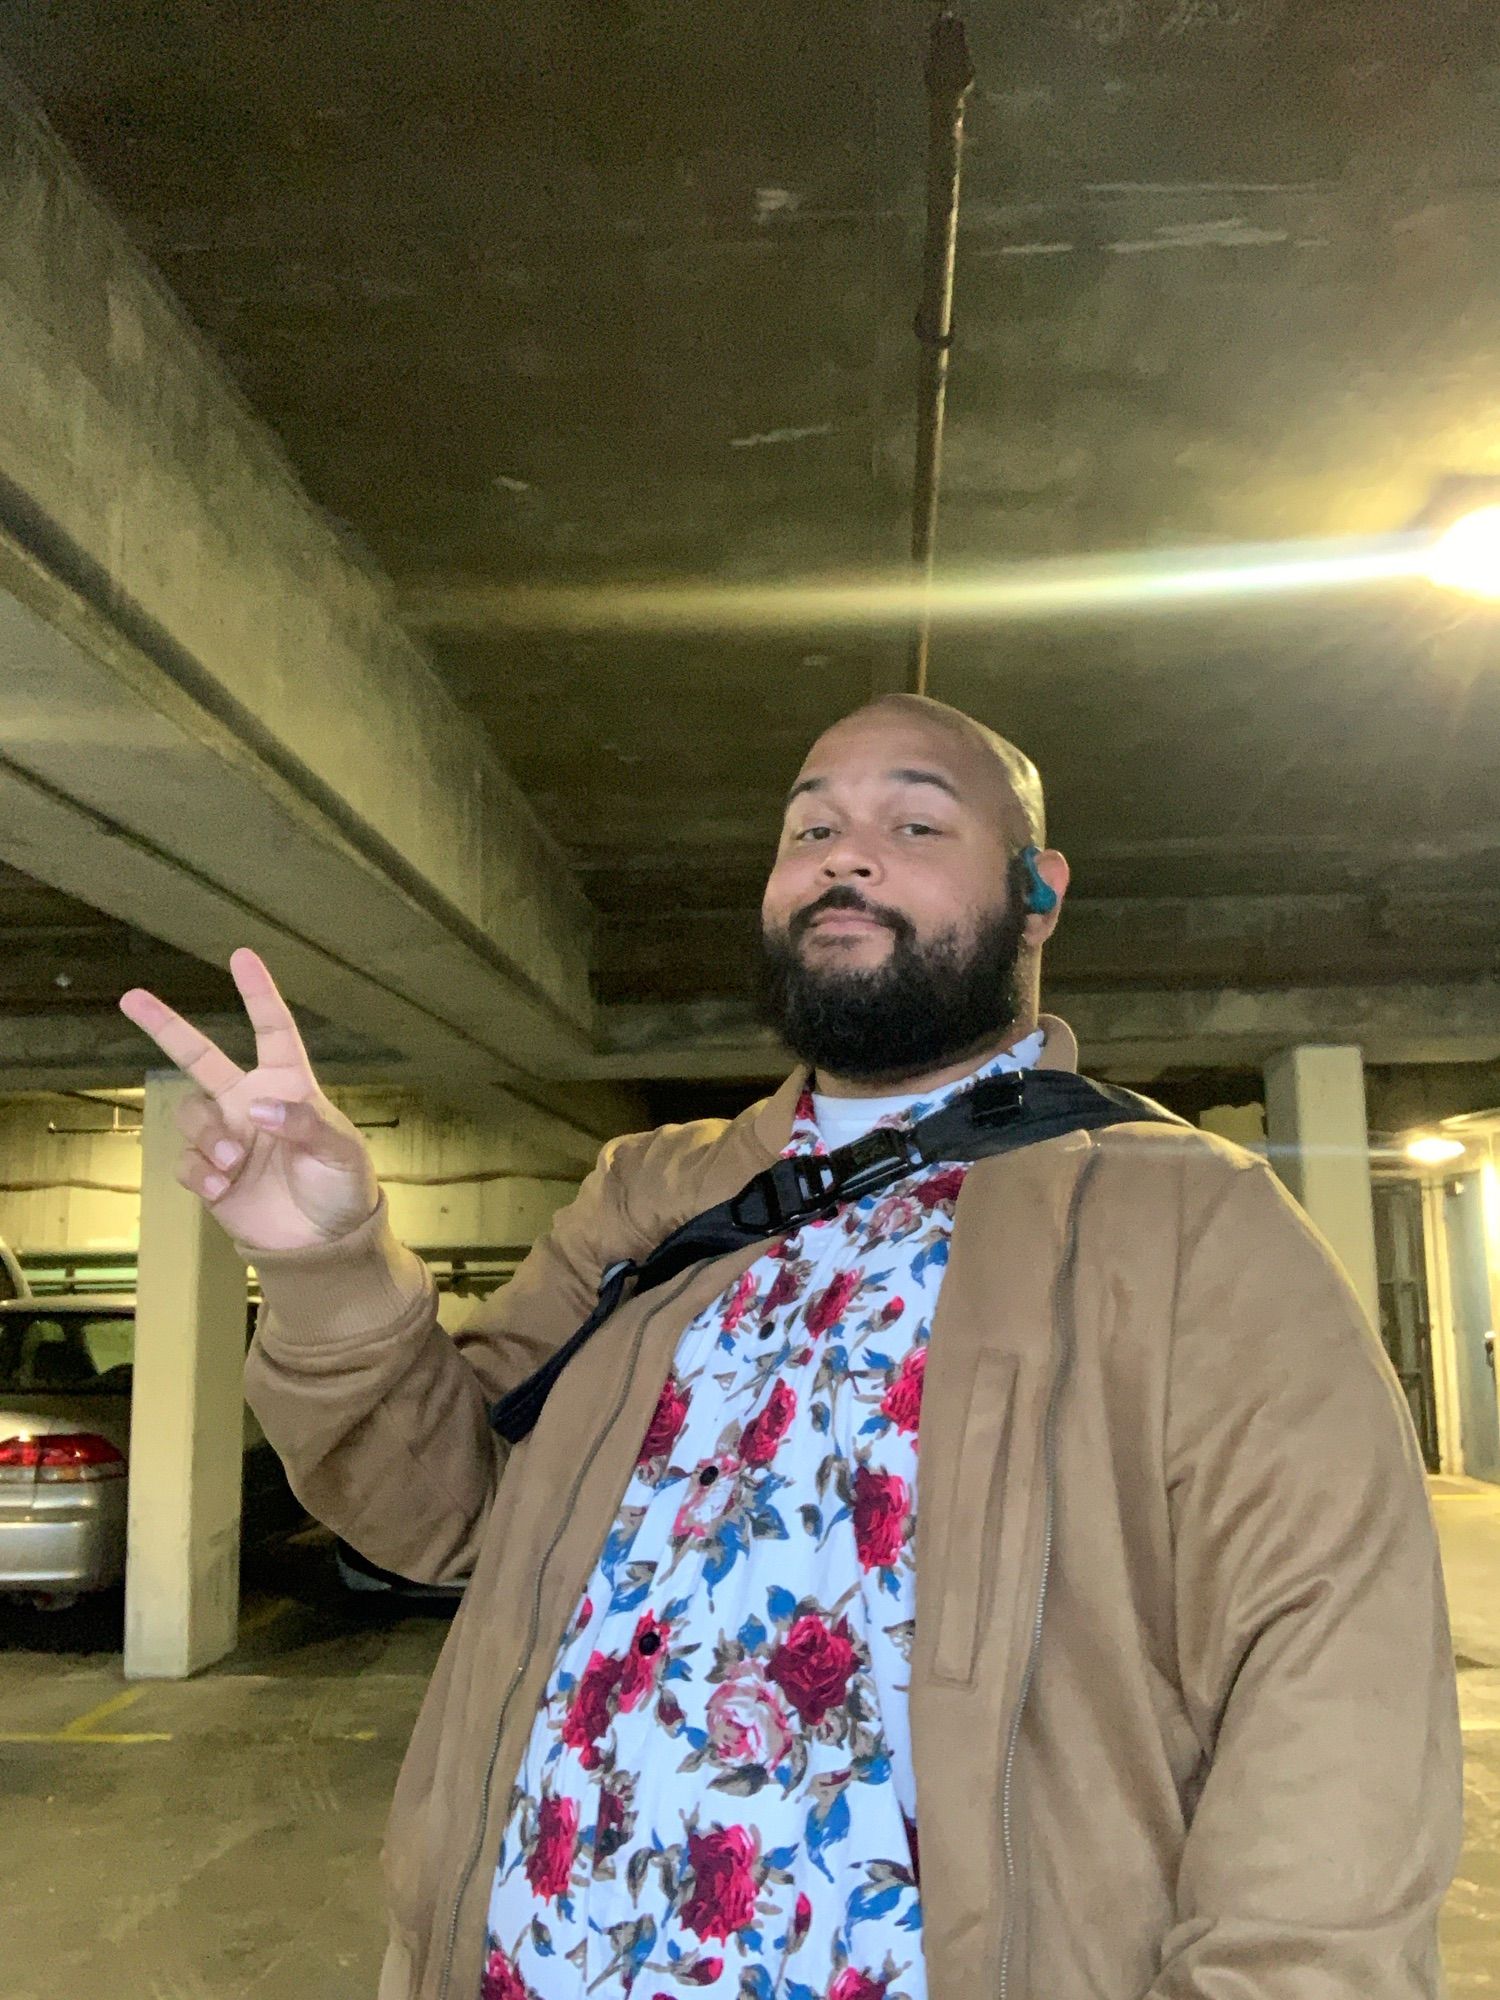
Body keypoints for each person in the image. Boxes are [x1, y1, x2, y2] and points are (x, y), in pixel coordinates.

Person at [120, 694, 1461, 2000]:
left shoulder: (1189, 1218)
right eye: (808, 829)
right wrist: (326, 1264)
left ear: (1040, 893)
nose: (845, 854)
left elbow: (1335, 1678)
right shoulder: (649, 1197)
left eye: (916, 825)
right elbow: (435, 1515)